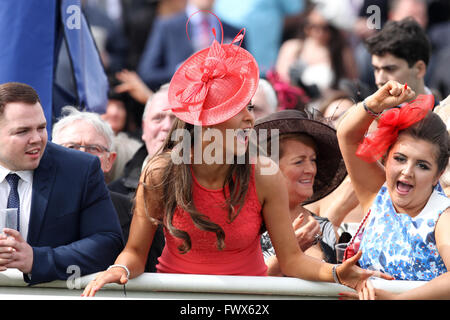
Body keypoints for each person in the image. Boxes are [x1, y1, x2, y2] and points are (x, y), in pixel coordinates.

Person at [82, 25, 391, 297]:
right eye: (238, 109)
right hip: (175, 297)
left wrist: (337, 274)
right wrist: (119, 269)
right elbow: (135, 252)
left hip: (249, 301)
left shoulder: (264, 174)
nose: (249, 118)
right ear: (206, 122)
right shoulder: (160, 172)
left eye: (250, 107)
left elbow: (292, 260)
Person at [0, 82, 123, 285]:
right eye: (22, 131)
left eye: (41, 128)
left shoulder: (79, 169)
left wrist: (37, 260)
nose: (36, 139)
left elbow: (107, 243)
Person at [337, 80, 450, 299]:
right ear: (386, 157)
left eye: (422, 165)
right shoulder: (377, 194)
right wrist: (375, 103)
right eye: (400, 158)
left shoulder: (443, 218)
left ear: (438, 173)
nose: (407, 171)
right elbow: (347, 136)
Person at [52, 106, 165, 272]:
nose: (82, 155)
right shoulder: (30, 206)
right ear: (53, 155)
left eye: (93, 149)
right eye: (71, 147)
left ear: (109, 161)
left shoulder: (137, 214)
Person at [255, 109, 348, 274]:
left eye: (313, 160)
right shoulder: (248, 226)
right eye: (299, 162)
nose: (310, 169)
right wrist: (288, 254)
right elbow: (244, 287)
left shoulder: (325, 228)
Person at [137, 0, 244, 91]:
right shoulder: (167, 28)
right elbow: (147, 73)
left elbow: (245, 74)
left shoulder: (235, 32)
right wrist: (182, 71)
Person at [275, 4, 357, 97]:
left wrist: (323, 94)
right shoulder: (292, 47)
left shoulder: (341, 52)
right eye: (313, 26)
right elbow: (280, 80)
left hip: (327, 105)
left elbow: (352, 86)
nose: (319, 32)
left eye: (324, 28)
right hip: (297, 103)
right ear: (305, 26)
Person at [108, 84, 176, 197]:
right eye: (158, 118)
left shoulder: (210, 187)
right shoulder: (115, 194)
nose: (167, 127)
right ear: (144, 128)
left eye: (176, 119)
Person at [365, 17, 435, 104]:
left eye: (390, 69)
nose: (379, 80)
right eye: (376, 69)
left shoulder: (445, 114)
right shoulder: (366, 113)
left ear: (419, 69)